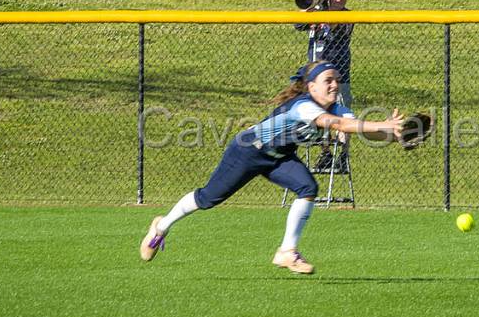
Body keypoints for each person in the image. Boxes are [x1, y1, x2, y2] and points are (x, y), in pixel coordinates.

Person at [139, 60, 406, 274]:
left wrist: (391, 134)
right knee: (208, 198)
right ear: (311, 87)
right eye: (328, 80)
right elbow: (338, 126)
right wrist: (382, 126)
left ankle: (287, 252)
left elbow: (359, 129)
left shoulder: (338, 107)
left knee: (307, 187)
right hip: (248, 150)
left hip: (279, 155)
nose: (335, 84)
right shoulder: (303, 106)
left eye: (336, 79)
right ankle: (161, 226)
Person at [295, 0, 353, 171]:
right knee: (318, 115)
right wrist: (310, 6)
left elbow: (336, 26)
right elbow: (298, 24)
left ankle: (342, 156)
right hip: (315, 76)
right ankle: (326, 153)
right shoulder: (318, 12)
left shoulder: (348, 16)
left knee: (344, 114)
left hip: (339, 74)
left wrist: (324, 13)